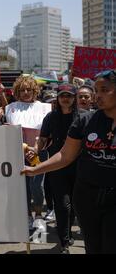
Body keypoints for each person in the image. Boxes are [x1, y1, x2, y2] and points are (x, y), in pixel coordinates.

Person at [22, 70, 116, 254]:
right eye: (97, 90)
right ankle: (64, 241)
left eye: (105, 90)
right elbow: (65, 155)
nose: (98, 95)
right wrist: (35, 169)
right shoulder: (85, 120)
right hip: (88, 198)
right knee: (94, 248)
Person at [29, 84, 84, 253]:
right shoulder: (51, 117)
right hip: (57, 165)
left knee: (74, 204)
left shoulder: (83, 117)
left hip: (79, 166)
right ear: (58, 99)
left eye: (69, 95)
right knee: (62, 205)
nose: (65, 99)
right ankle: (64, 242)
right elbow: (43, 138)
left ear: (74, 98)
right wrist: (36, 150)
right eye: (62, 96)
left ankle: (67, 232)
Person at [6, 76, 51, 231]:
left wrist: (36, 149)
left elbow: (47, 132)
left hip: (39, 152)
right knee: (22, 186)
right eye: (22, 90)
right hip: (18, 153)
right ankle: (27, 216)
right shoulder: (10, 107)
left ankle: (38, 215)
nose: (26, 92)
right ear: (17, 91)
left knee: (37, 185)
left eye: (29, 89)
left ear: (35, 91)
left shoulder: (46, 108)